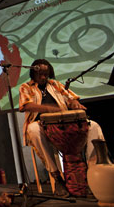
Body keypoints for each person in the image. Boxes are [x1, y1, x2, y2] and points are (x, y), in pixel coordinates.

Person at [19, 59, 104, 197]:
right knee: (33, 130)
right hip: (42, 125)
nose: (43, 77)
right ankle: (57, 178)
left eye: (46, 74)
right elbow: (26, 106)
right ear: (33, 73)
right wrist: (47, 108)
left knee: (94, 126)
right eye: (40, 74)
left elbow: (71, 98)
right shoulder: (26, 87)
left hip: (65, 125)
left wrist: (74, 103)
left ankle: (91, 174)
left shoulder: (56, 85)